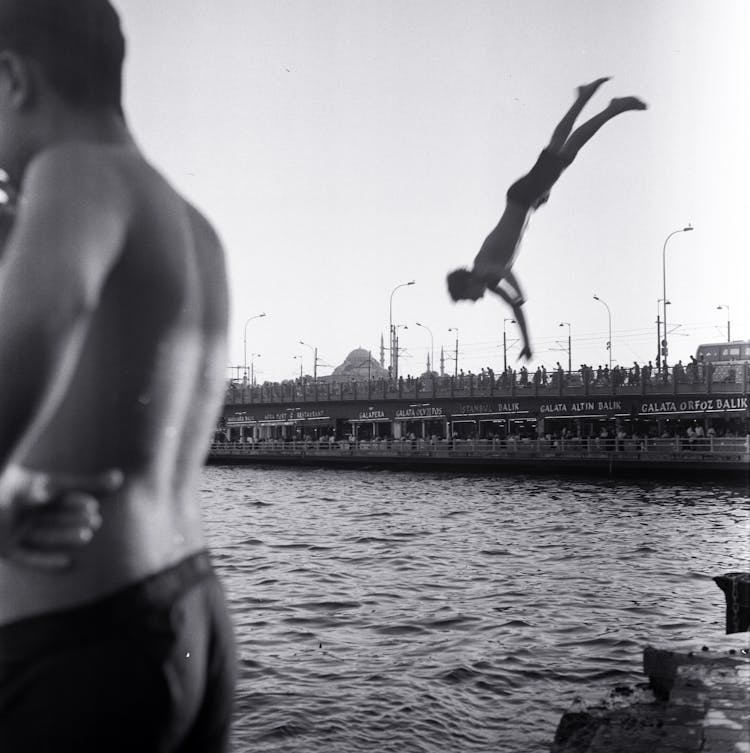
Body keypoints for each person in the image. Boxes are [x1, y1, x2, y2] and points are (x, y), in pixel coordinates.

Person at [0, 1, 236, 751]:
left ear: (10, 80)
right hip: (189, 614)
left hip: (78, 642)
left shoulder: (72, 173)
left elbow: (41, 321)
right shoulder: (192, 222)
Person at [447, 78, 647, 359]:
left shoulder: (483, 270)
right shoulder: (488, 281)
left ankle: (611, 108)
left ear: (468, 283)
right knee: (558, 150)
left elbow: (508, 275)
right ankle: (585, 97)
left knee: (566, 152)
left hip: (522, 198)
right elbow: (516, 308)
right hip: (527, 201)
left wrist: (520, 293)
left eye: (469, 297)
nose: (474, 301)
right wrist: (527, 343)